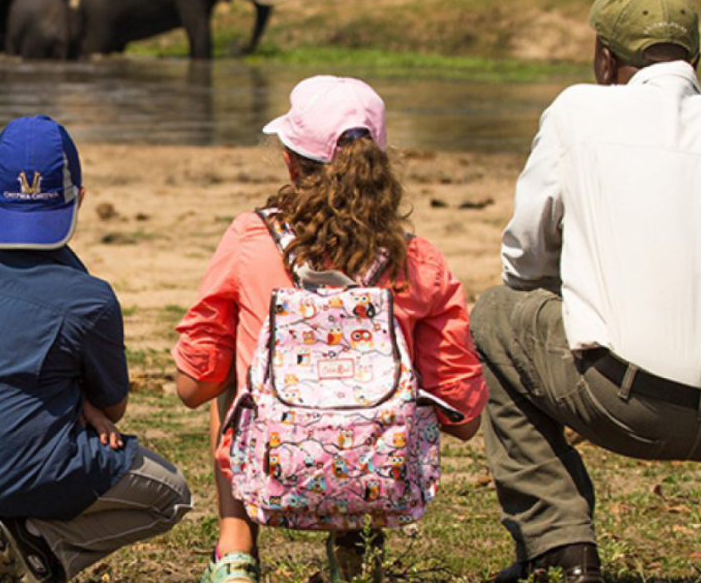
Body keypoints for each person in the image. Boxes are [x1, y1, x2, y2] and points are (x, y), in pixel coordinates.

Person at [470, 0, 701, 583]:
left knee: (495, 316)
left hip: (625, 403)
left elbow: (523, 260)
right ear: (695, 60)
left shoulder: (577, 110)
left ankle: (560, 545)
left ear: (605, 58)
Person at [172, 75, 488, 583]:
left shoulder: (252, 239)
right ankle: (356, 545)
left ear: (290, 164)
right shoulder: (418, 261)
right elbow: (465, 418)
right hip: (379, 479)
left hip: (270, 470)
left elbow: (194, 388)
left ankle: (236, 547)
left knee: (235, 360)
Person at [0, 115, 192, 583]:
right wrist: (86, 400)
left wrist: (70, 395)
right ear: (79, 198)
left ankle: (10, 552)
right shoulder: (91, 298)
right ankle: (44, 549)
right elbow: (114, 408)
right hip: (20, 467)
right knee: (172, 495)